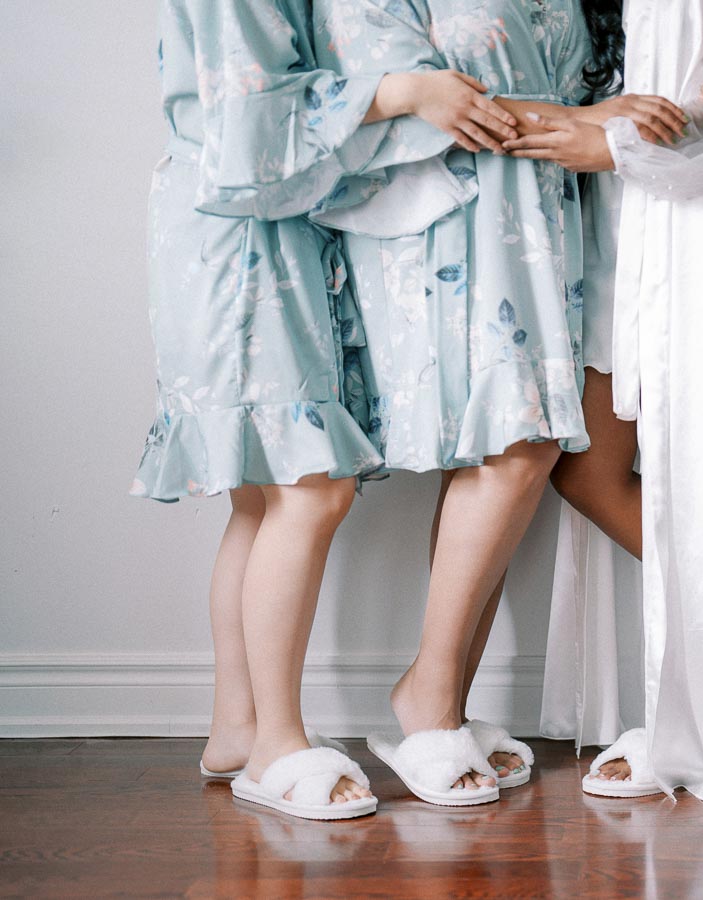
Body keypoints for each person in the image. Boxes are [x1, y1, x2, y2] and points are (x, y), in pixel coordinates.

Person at [133, 0, 508, 819]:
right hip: (237, 234)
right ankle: (273, 745)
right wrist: (404, 92)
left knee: (262, 491)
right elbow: (247, 121)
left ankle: (238, 725)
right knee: (310, 488)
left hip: (262, 228)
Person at [309, 0, 641, 806]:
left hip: (539, 218)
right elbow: (419, 101)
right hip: (446, 217)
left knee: (513, 450)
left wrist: (597, 121)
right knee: (514, 446)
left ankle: (443, 698)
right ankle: (425, 698)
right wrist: (590, 118)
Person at [503, 0, 703, 814]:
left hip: (691, 213)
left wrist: (611, 143)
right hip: (604, 224)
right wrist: (591, 127)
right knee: (586, 471)